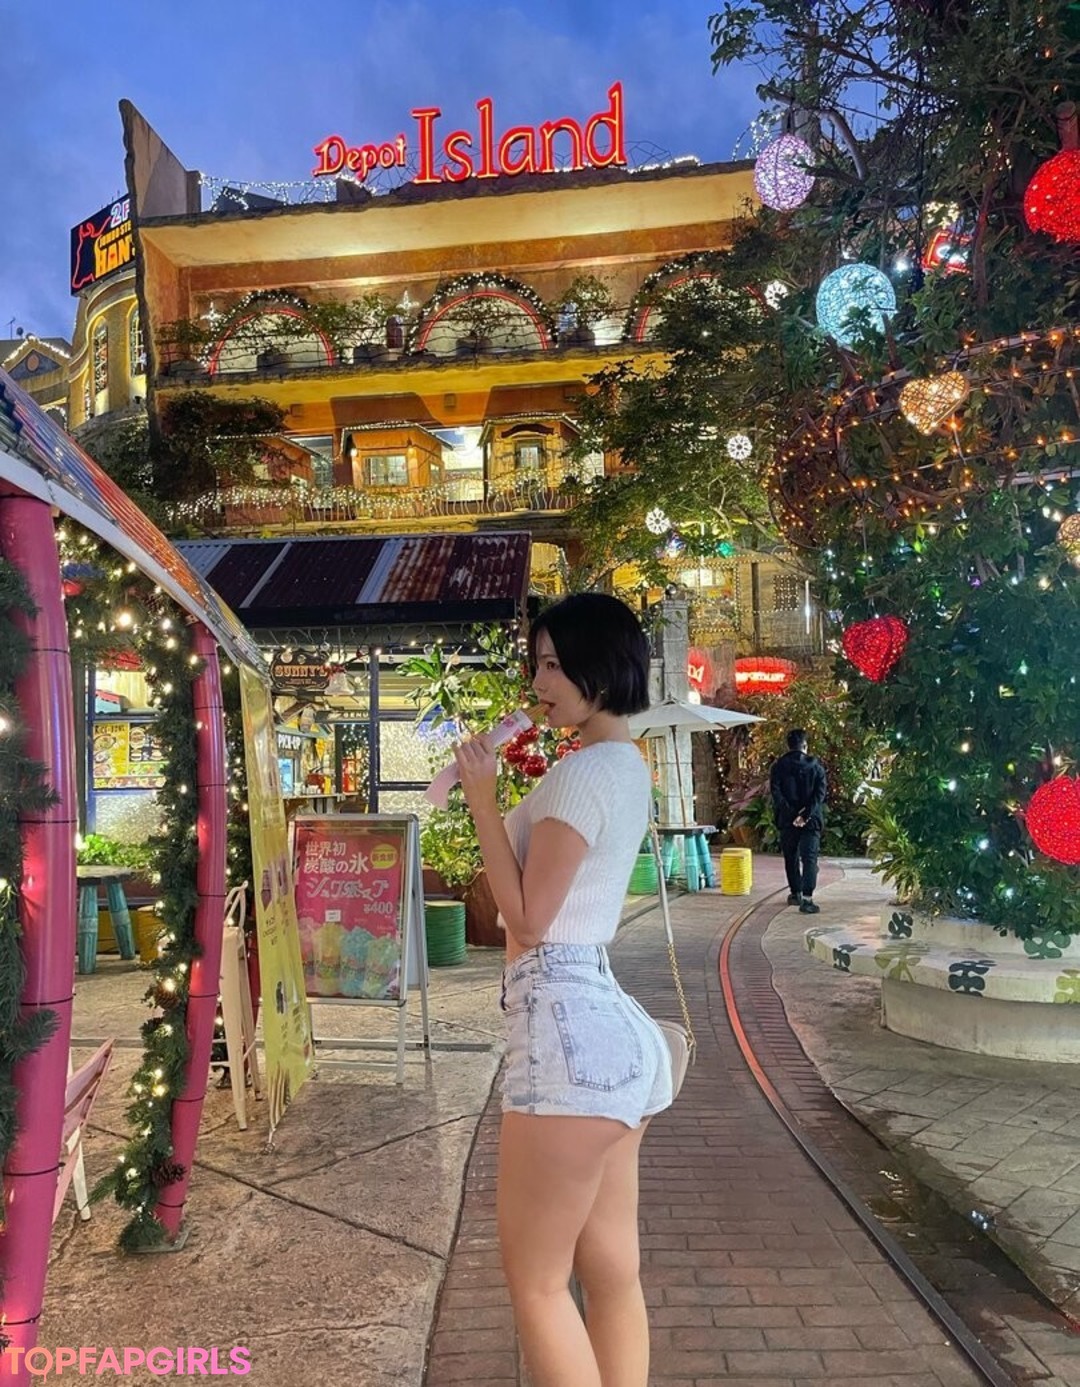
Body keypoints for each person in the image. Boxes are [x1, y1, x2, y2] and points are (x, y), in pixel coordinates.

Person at [454, 592, 673, 1387]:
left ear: (599, 669)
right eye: (536, 664)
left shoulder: (583, 774)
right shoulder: (626, 766)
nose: (538, 682)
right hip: (615, 1035)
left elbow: (527, 917)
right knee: (613, 1270)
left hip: (565, 1031)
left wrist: (482, 801)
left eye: (553, 664)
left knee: (540, 1284)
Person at [769, 728, 827, 914]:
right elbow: (819, 795)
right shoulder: (816, 767)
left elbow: (776, 794)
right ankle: (808, 900)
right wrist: (805, 815)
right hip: (811, 821)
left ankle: (796, 894)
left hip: (787, 821)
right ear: (805, 746)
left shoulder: (778, 767)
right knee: (809, 858)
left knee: (791, 857)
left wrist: (792, 815)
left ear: (789, 745)